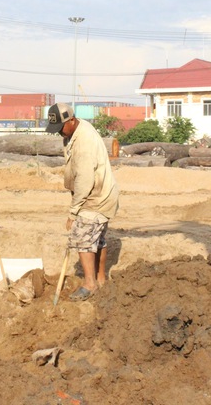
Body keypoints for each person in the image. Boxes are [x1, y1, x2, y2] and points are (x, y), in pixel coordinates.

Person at [46, 102, 120, 301]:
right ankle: (101, 279)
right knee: (97, 239)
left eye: (61, 127)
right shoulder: (76, 131)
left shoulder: (84, 143)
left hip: (95, 196)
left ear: (71, 120)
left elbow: (84, 180)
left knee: (83, 238)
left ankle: (90, 284)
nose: (59, 133)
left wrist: (73, 212)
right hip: (101, 193)